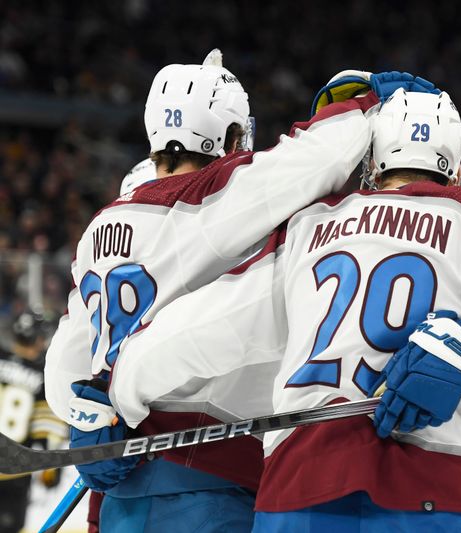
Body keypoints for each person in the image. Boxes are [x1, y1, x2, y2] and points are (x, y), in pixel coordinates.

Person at [108, 73, 461, 531]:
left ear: (373, 161)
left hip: (297, 490)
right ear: (456, 166)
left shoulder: (308, 226)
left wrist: (116, 386)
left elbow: (199, 329)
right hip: (431, 488)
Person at [43, 51, 428, 532]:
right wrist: (367, 101)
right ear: (227, 135)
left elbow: (65, 367)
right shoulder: (210, 200)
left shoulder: (99, 230)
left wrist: (89, 417)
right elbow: (311, 161)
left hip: (122, 486)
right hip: (209, 479)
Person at [0, 310, 66, 533]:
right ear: (38, 339)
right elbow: (47, 430)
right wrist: (51, 469)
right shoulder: (41, 378)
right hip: (13, 472)